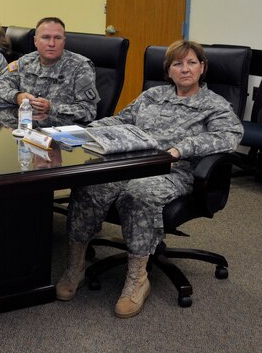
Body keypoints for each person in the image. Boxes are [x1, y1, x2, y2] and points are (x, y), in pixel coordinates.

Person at [60, 40, 243, 318]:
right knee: (90, 182)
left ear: (202, 68)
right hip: (132, 163)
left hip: (176, 172)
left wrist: (182, 148)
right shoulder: (152, 95)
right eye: (177, 64)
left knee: (139, 193)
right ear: (168, 71)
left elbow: (230, 137)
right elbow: (122, 120)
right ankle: (75, 266)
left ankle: (137, 280)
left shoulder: (214, 105)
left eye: (192, 63)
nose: (185, 69)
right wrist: (83, 131)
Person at [0, 17, 99, 123]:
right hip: (28, 130)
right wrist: (17, 97)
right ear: (35, 41)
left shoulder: (80, 66)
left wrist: (52, 107)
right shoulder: (25, 61)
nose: (51, 44)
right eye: (46, 37)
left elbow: (89, 111)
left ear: (64, 41)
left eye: (57, 38)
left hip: (61, 136)